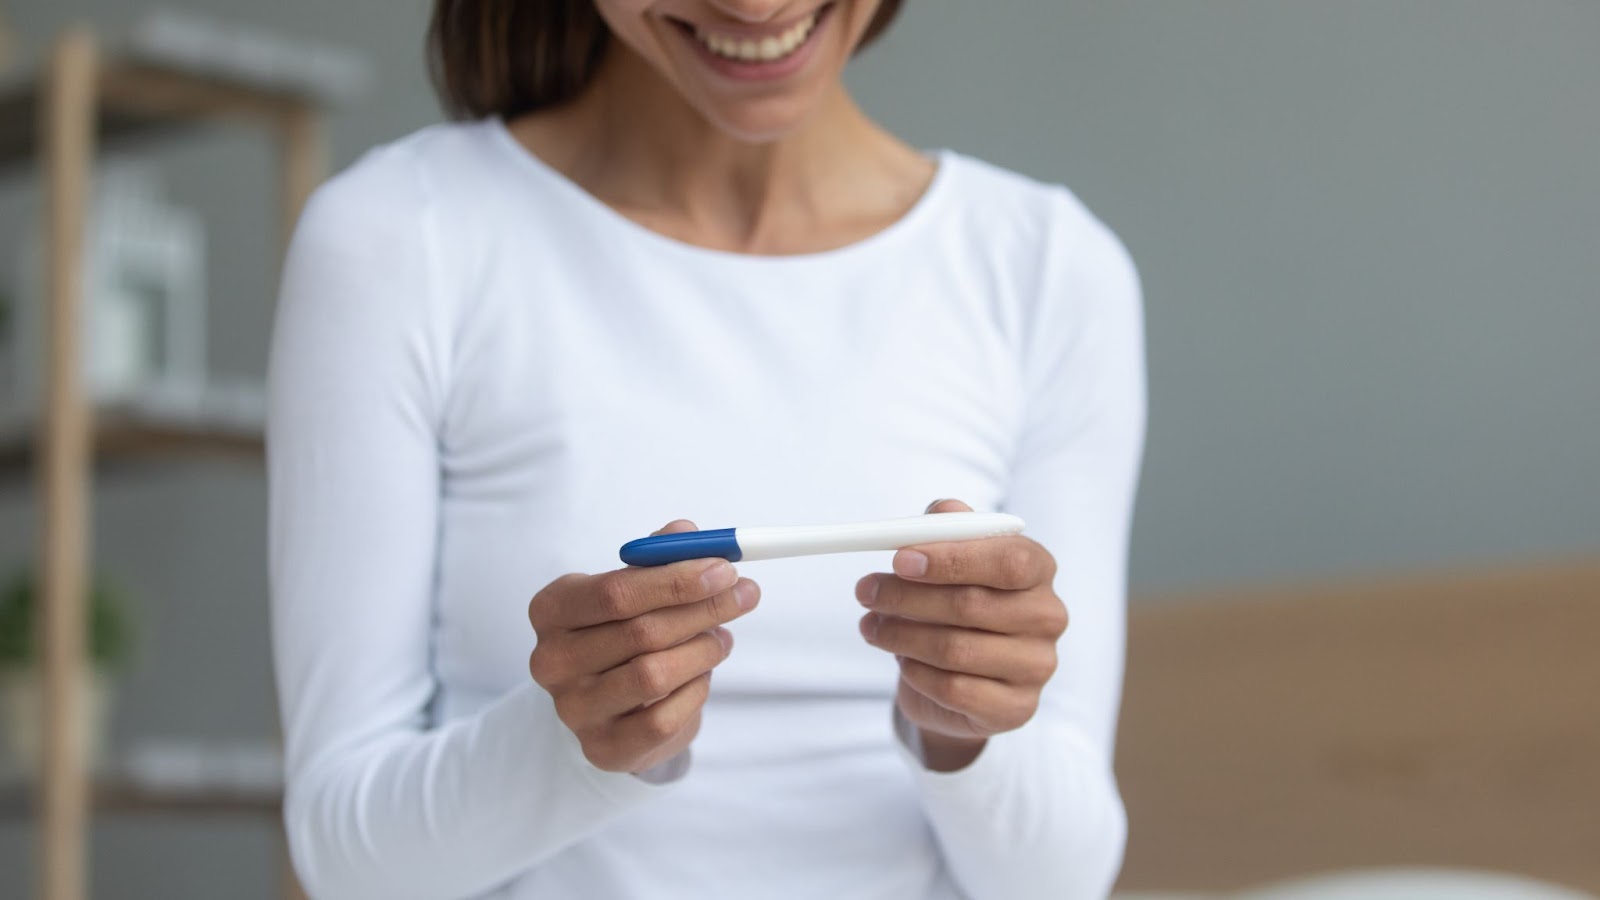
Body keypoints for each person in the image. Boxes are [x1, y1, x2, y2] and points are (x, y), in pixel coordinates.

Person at [268, 1, 1146, 897]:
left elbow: (1061, 878)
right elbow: (344, 858)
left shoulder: (1049, 271)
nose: (757, 6)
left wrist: (964, 733)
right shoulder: (399, 238)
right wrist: (577, 743)